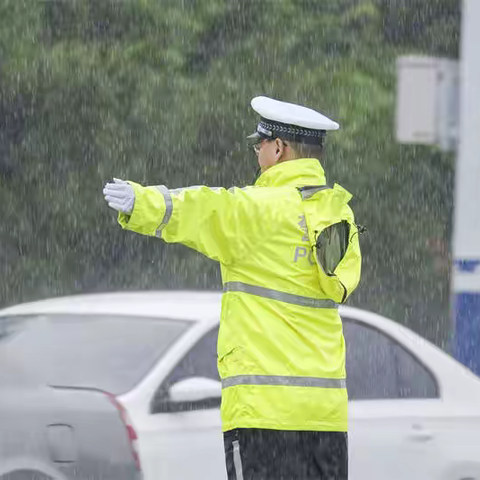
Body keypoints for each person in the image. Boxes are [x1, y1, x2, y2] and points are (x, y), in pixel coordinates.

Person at [103, 96, 362, 480]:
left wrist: (141, 201)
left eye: (260, 143)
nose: (257, 152)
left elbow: (200, 208)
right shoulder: (339, 214)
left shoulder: (258, 209)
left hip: (264, 412)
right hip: (325, 416)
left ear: (279, 148)